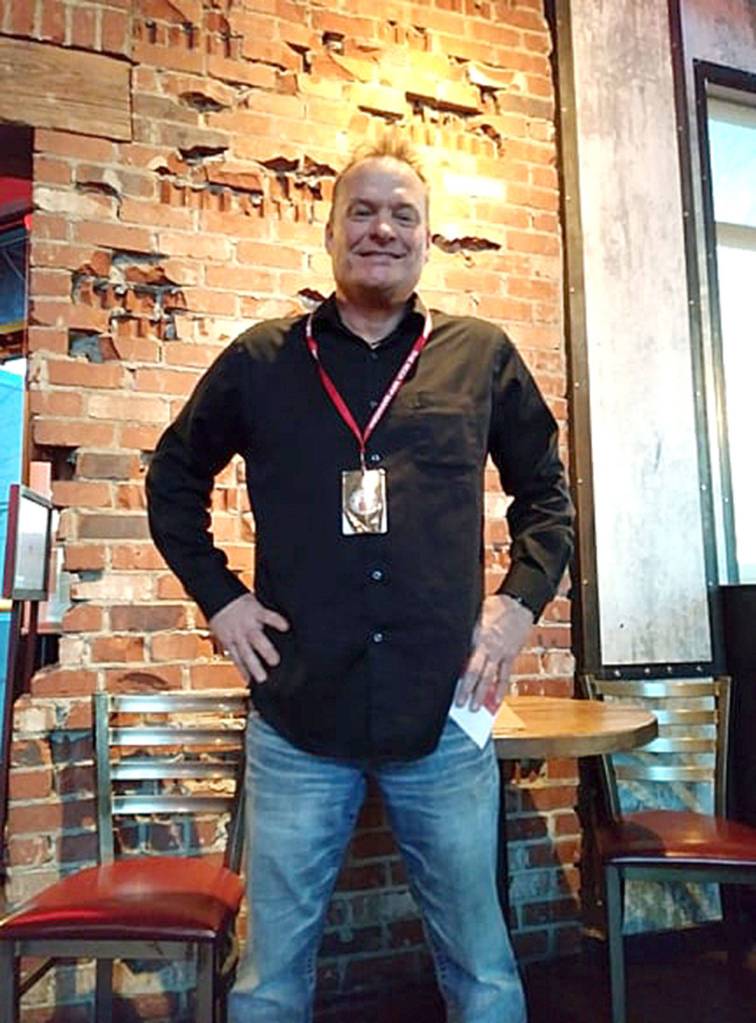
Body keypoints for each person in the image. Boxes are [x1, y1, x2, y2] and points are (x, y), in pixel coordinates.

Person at [146, 136, 574, 1023]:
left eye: (402, 214)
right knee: (269, 980)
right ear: (330, 232)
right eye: (363, 212)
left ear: (428, 239)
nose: (383, 229)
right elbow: (172, 478)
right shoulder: (263, 360)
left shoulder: (480, 356)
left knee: (485, 973)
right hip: (298, 716)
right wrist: (221, 598)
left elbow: (547, 496)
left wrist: (516, 605)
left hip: (443, 715)